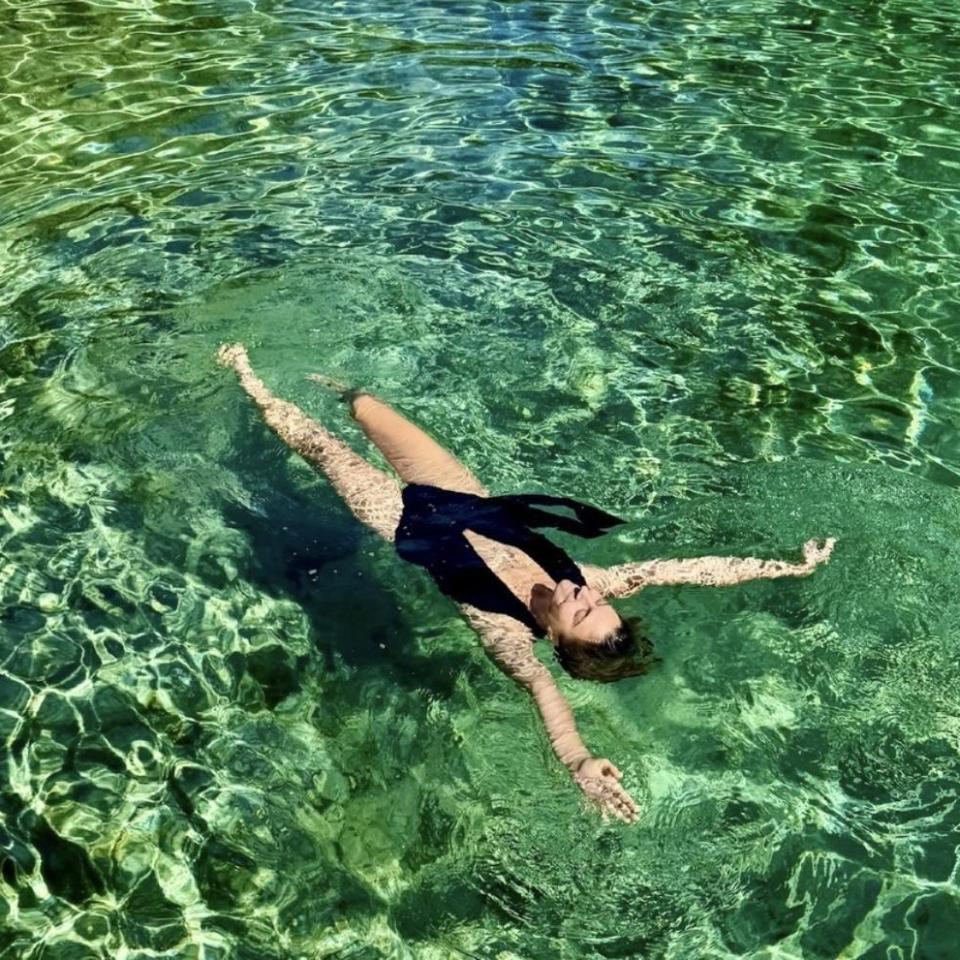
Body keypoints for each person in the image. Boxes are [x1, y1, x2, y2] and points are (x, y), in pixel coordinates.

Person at [217, 344, 836, 822]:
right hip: (459, 496)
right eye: (595, 602)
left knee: (326, 451)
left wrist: (581, 764)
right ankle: (330, 383)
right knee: (366, 407)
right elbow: (689, 569)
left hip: (401, 521)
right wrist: (788, 566)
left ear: (559, 639)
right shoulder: (594, 579)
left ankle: (247, 379)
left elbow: (554, 710)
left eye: (580, 611)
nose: (583, 595)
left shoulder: (509, 636)